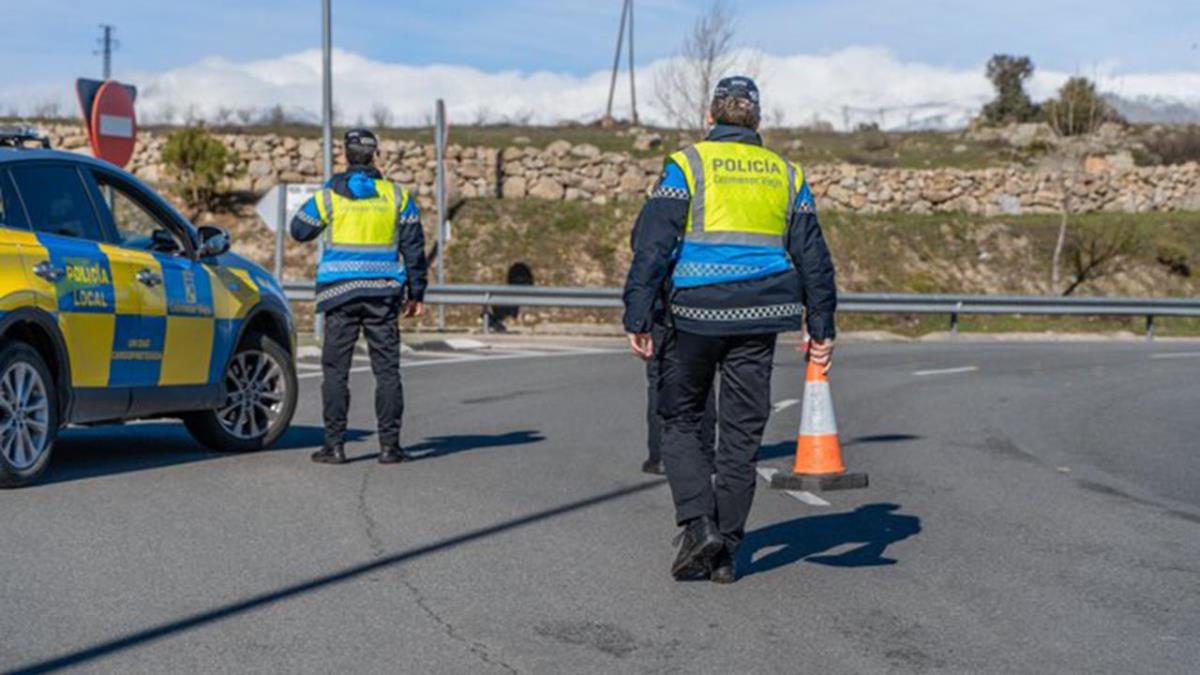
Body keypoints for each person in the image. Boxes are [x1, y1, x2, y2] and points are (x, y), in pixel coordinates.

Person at [622, 76, 837, 584]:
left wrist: (636, 313)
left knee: (680, 421)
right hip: (760, 317)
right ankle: (727, 552)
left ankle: (699, 527)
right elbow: (813, 255)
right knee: (741, 436)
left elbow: (653, 244)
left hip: (693, 313)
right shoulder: (787, 173)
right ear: (757, 119)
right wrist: (821, 322)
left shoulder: (687, 164)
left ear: (711, 115)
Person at [290, 128, 428, 465]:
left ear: (346, 155)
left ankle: (334, 446)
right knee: (387, 371)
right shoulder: (397, 196)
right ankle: (389, 447)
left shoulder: (330, 196)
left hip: (339, 294)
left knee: (336, 370)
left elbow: (299, 230)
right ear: (375, 155)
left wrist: (326, 199)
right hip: (383, 294)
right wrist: (417, 291)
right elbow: (414, 247)